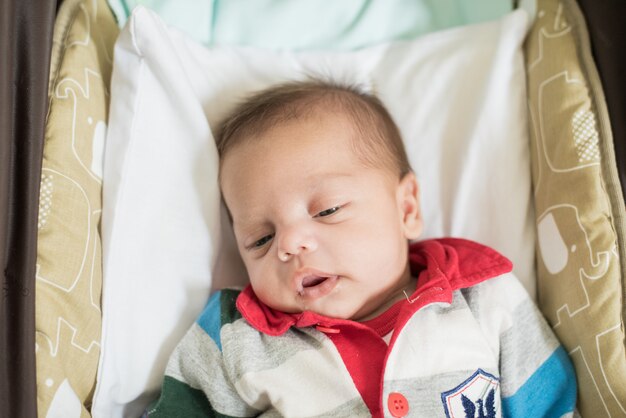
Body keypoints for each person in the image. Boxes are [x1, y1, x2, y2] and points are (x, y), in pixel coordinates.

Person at [145, 80, 577, 417]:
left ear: (406, 207)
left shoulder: (482, 296)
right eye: (260, 239)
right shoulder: (237, 338)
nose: (291, 243)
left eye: (327, 210)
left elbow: (551, 405)